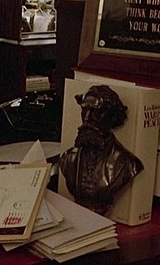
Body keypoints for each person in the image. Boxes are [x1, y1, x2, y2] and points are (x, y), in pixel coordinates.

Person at [59, 85, 144, 215]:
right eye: (84, 110)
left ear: (111, 116)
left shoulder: (128, 163)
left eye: (96, 112)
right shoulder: (67, 158)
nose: (87, 118)